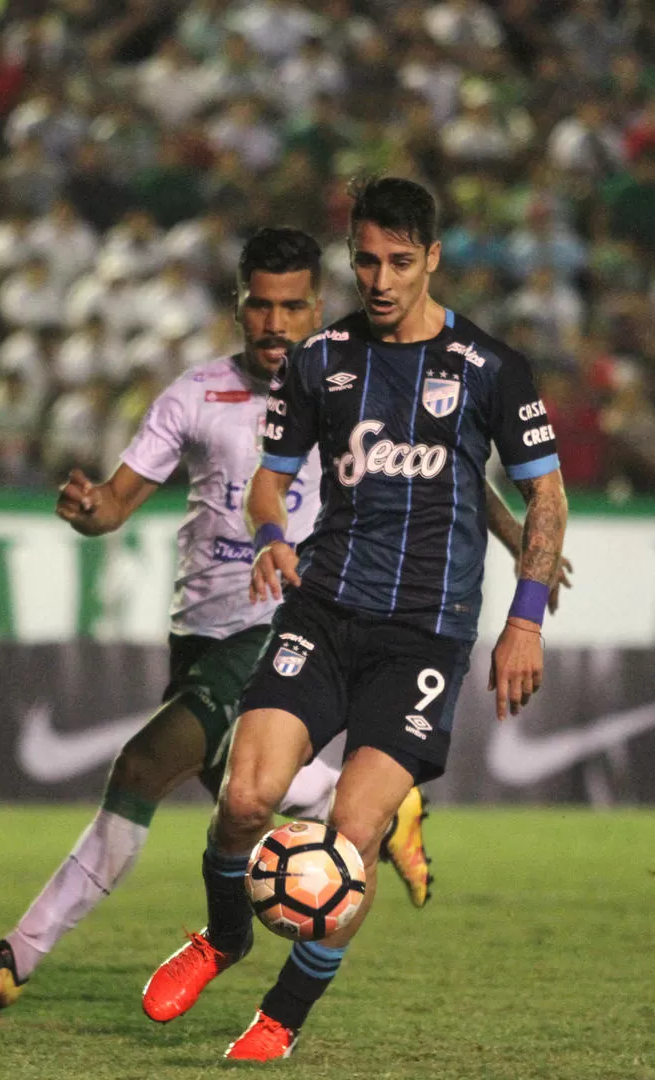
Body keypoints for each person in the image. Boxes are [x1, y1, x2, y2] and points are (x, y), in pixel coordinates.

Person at [0, 224, 565, 1012]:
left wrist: (517, 545)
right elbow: (117, 505)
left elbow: (449, 475)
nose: (276, 324)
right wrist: (90, 509)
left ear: (315, 308)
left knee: (139, 768)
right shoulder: (194, 395)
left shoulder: (352, 376)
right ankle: (362, 800)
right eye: (261, 307)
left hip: (281, 625)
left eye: (293, 307)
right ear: (239, 308)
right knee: (239, 796)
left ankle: (19, 957)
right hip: (199, 630)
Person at [142, 177, 569, 1061]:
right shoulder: (322, 361)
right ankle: (223, 937)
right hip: (324, 611)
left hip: (423, 635)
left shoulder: (490, 369)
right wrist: (270, 532)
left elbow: (545, 501)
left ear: (433, 259)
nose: (379, 279)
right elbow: (272, 475)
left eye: (399, 262)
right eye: (365, 260)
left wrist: (523, 622)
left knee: (353, 837)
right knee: (245, 798)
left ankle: (283, 1013)